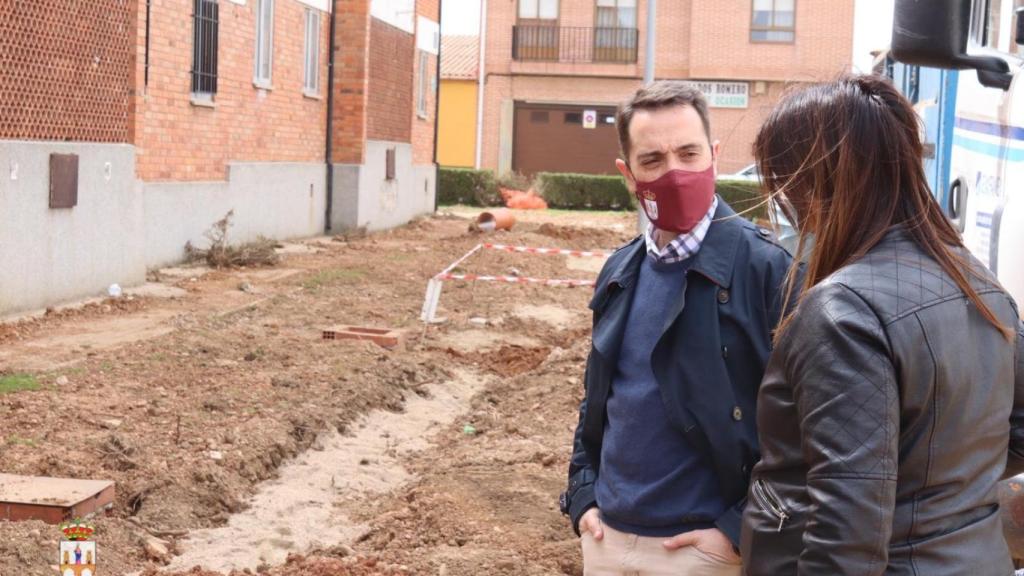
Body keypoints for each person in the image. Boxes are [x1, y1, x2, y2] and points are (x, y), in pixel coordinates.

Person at [740, 75, 1024, 575]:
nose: (787, 208)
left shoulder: (843, 311)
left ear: (820, 182)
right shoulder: (980, 284)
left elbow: (846, 543)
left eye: (785, 185)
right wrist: (933, 491)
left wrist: (902, 490)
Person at [560, 81, 795, 575]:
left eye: (689, 154)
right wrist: (583, 495)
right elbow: (598, 397)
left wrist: (736, 531)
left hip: (703, 555)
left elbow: (804, 428)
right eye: (653, 160)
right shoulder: (620, 271)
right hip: (607, 541)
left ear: (713, 154)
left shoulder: (769, 269)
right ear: (628, 174)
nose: (675, 172)